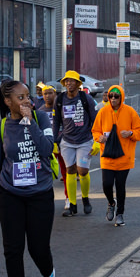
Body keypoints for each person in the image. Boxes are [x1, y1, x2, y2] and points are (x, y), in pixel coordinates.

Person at [0, 80, 57, 277]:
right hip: (10, 194)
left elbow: (46, 149)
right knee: (12, 250)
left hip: (40, 193)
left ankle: (48, 275)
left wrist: (29, 123)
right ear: (8, 102)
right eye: (21, 98)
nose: (28, 101)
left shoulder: (41, 119)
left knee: (38, 248)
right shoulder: (1, 127)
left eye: (28, 96)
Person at [92, 86, 140, 227]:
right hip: (107, 157)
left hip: (124, 157)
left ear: (121, 97)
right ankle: (111, 203)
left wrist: (131, 134)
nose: (113, 99)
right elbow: (95, 130)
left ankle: (120, 213)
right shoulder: (103, 112)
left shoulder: (130, 112)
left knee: (120, 186)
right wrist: (99, 138)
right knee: (107, 185)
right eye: (111, 96)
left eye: (116, 96)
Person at [53, 72, 98, 217]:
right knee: (70, 171)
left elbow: (95, 121)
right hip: (67, 142)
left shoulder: (86, 99)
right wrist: (54, 141)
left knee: (82, 171)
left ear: (78, 84)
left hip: (85, 141)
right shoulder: (59, 99)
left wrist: (96, 140)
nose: (68, 84)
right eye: (66, 81)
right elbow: (56, 122)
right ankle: (72, 205)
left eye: (72, 81)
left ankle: (85, 199)